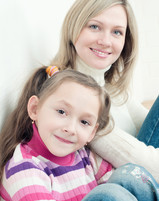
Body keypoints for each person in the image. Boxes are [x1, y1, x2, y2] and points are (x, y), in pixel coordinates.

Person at [0, 66, 159, 201]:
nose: (71, 129)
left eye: (84, 122)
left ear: (92, 132)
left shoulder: (82, 155)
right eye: (61, 112)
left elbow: (123, 194)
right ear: (35, 109)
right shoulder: (24, 170)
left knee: (130, 175)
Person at [51, 0, 159, 183]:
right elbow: (152, 168)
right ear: (74, 27)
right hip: (130, 190)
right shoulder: (72, 95)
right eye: (94, 26)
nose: (105, 41)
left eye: (117, 32)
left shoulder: (112, 89)